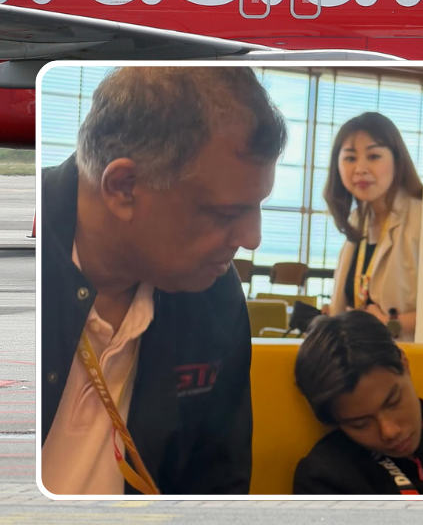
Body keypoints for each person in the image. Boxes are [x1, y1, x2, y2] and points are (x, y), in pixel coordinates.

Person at [40, 66, 287, 495]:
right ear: (124, 188)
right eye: (225, 214)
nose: (252, 239)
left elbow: (217, 490)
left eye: (257, 207)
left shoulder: (216, 297)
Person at [293, 310, 423, 495]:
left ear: (405, 364)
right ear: (334, 419)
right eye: (360, 424)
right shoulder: (324, 478)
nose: (390, 431)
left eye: (393, 402)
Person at [327, 112, 423, 340]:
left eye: (373, 156)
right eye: (350, 158)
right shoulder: (356, 219)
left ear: (397, 160)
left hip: (407, 363)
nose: (360, 168)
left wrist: (390, 325)